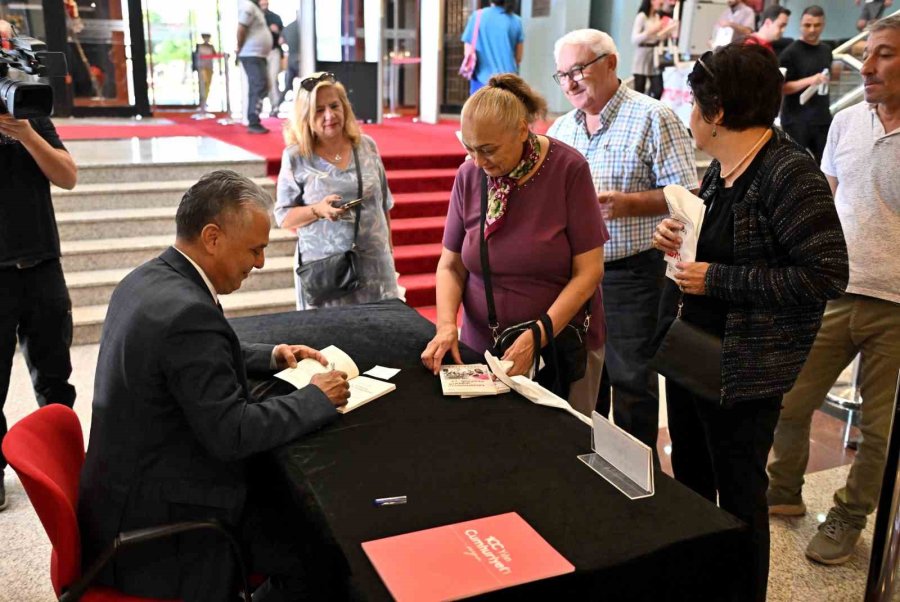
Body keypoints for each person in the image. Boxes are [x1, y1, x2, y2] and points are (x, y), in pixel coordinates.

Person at [78, 170, 351, 601]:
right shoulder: (187, 313)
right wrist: (315, 399)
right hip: (156, 530)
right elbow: (233, 432)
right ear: (212, 237)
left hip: (125, 494)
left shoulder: (149, 279)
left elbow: (185, 358)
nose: (259, 263)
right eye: (255, 249)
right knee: (317, 550)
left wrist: (271, 354)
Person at [651, 44, 848, 601]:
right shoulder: (726, 168)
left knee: (739, 497)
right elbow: (720, 243)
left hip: (744, 370)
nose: (689, 114)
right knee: (691, 482)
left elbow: (825, 274)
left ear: (716, 112)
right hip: (697, 353)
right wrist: (679, 236)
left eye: (694, 102)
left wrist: (715, 279)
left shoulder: (788, 173)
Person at [767, 14, 900, 566]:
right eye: (867, 54)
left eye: (885, 54)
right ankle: (783, 493)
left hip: (897, 306)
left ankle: (850, 512)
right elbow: (827, 202)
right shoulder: (846, 123)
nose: (866, 67)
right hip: (835, 291)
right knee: (791, 401)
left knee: (880, 428)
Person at [420, 74, 608, 416]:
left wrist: (537, 336)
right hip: (484, 346)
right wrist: (447, 324)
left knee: (561, 452)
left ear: (522, 131)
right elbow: (451, 265)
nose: (478, 161)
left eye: (488, 149)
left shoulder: (569, 169)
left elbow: (589, 271)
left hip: (559, 346)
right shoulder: (470, 175)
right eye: (469, 148)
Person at [547, 29, 697, 449]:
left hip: (632, 274)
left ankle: (638, 483)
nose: (571, 82)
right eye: (562, 75)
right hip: (576, 276)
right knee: (588, 379)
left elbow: (689, 196)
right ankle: (598, 474)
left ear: (611, 63)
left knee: (632, 380)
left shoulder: (654, 117)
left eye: (578, 69)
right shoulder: (562, 128)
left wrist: (628, 205)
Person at [0, 19, 78, 514]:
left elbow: (67, 175)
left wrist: (26, 134)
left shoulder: (26, 108)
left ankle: (67, 463)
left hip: (43, 265)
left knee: (57, 376)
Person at [276, 72, 398, 310]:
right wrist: (317, 210)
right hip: (327, 275)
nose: (330, 115)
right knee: (329, 343)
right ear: (306, 117)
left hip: (375, 268)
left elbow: (383, 206)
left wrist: (389, 254)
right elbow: (283, 216)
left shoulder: (367, 146)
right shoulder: (296, 157)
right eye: (319, 110)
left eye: (334, 106)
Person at [779, 5, 834, 165]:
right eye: (807, 25)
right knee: (796, 165)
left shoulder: (825, 50)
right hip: (796, 120)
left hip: (822, 118)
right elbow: (782, 88)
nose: (812, 30)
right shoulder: (790, 52)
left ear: (823, 25)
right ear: (801, 25)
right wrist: (809, 80)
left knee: (827, 165)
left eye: (817, 25)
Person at [460, 0, 524, 96]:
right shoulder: (516, 21)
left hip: (481, 82)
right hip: (509, 83)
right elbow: (518, 58)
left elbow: (468, 51)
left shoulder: (477, 16)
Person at [236, 0, 272, 134]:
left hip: (258, 55)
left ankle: (254, 119)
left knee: (260, 86)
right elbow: (241, 28)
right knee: (259, 85)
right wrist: (239, 47)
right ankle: (253, 120)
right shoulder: (248, 6)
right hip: (252, 54)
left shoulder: (255, 8)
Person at [631, 0, 678, 99]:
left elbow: (657, 37)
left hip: (654, 56)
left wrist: (667, 31)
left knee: (658, 89)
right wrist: (649, 31)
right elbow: (634, 39)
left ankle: (650, 106)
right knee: (639, 89)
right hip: (642, 56)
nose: (661, 2)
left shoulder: (657, 17)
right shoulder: (642, 16)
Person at [260, 0, 283, 117]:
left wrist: (278, 32)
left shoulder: (275, 17)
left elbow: (282, 35)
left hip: (274, 51)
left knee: (272, 79)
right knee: (267, 80)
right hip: (261, 53)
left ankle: (275, 106)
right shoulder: (256, 18)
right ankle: (271, 105)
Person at [193, 33, 216, 112]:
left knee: (208, 85)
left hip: (209, 67)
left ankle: (205, 100)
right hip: (201, 68)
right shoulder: (199, 46)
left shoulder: (211, 47)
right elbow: (196, 57)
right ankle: (201, 101)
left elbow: (214, 55)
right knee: (202, 84)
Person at [279, 18, 300, 106]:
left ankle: (276, 107)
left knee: (287, 86)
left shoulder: (288, 27)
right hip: (302, 59)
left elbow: (281, 41)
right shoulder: (304, 27)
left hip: (291, 59)